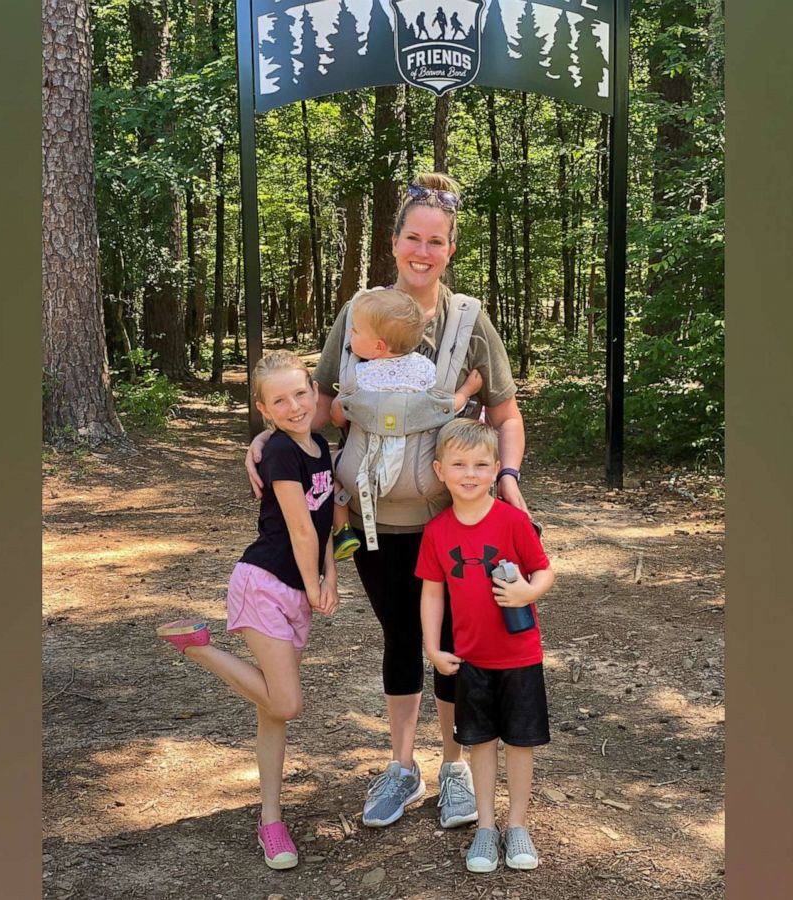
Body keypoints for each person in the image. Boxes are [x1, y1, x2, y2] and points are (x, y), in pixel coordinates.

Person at [246, 172, 529, 833]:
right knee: (402, 635)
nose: (422, 252)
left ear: (450, 248)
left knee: (456, 639)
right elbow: (316, 404)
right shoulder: (359, 314)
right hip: (372, 518)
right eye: (412, 238)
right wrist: (264, 438)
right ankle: (403, 765)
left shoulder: (468, 322)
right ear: (394, 241)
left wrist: (508, 474)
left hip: (451, 520)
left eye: (436, 241)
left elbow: (505, 413)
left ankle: (455, 765)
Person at [159, 350, 340, 871]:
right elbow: (299, 525)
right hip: (264, 585)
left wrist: (329, 574)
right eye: (279, 400)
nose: (295, 405)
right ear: (264, 410)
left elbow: (324, 522)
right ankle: (195, 645)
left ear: (313, 391)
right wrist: (313, 584)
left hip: (296, 591)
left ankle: (270, 819)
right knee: (286, 704)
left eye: (301, 393)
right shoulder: (282, 453)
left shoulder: (319, 445)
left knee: (271, 713)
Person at [419, 419, 555, 873]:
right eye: (459, 464)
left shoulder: (513, 522)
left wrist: (527, 594)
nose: (470, 474)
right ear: (440, 470)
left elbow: (543, 570)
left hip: (519, 657)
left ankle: (517, 825)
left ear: (497, 469)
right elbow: (433, 593)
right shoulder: (437, 531)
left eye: (481, 464)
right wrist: (432, 647)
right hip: (471, 658)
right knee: (480, 743)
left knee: (519, 742)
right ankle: (485, 826)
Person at [326, 287, 484, 560]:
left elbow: (338, 416)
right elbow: (444, 407)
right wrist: (468, 391)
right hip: (417, 474)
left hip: (367, 475)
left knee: (327, 467)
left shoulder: (361, 375)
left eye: (356, 332)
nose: (350, 335)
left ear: (378, 347)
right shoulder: (425, 370)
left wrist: (338, 407)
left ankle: (341, 527)